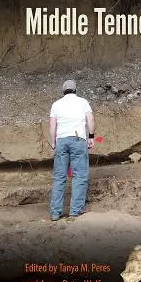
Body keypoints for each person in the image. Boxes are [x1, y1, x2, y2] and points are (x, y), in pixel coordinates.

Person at [49, 79, 95, 221]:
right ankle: (75, 212)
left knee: (59, 177)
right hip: (77, 139)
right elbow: (91, 120)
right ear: (75, 90)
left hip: (61, 141)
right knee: (79, 176)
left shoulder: (56, 104)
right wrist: (91, 136)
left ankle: (55, 213)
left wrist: (53, 143)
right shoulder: (83, 102)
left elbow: (52, 126)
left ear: (63, 91)